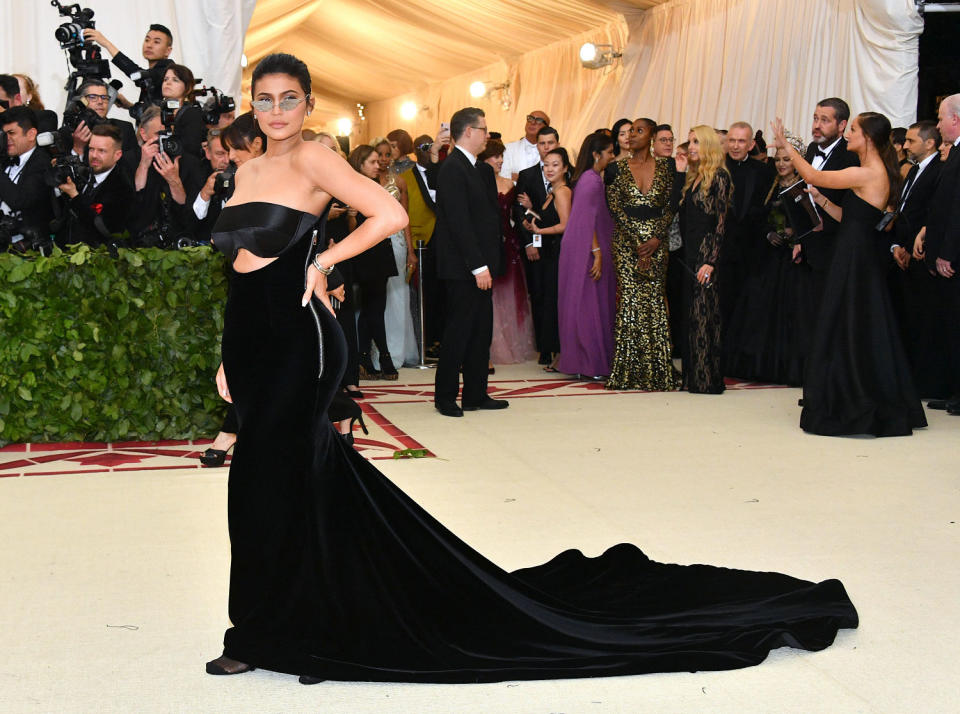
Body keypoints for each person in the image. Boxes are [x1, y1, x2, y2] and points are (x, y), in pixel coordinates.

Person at [205, 54, 858, 684]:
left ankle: (307, 627)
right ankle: (260, 626)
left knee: (288, 475)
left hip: (300, 335)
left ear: (309, 104)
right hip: (251, 334)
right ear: (252, 105)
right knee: (259, 480)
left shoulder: (315, 156)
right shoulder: (248, 169)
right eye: (264, 99)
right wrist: (225, 361)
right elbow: (235, 273)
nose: (277, 110)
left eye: (289, 98)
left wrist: (324, 262)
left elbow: (391, 214)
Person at [772, 112, 926, 436]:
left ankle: (855, 398)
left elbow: (813, 173)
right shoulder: (870, 173)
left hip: (856, 258)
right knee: (853, 324)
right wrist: (822, 201)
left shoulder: (867, 172)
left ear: (867, 137)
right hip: (853, 252)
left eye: (852, 130)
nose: (848, 136)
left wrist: (786, 144)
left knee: (850, 324)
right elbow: (849, 217)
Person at [432, 107, 508, 416]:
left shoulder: (481, 169)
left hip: (482, 264)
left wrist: (490, 263)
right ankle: (445, 397)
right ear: (468, 132)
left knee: (481, 331)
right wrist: (477, 266)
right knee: (459, 331)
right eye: (484, 129)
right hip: (463, 267)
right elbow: (458, 222)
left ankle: (476, 393)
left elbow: (489, 220)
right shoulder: (452, 168)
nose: (487, 135)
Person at [724, 136, 812, 386]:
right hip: (767, 256)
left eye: (787, 159)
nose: (782, 164)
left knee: (792, 311)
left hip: (793, 259)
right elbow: (755, 218)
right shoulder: (769, 185)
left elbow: (811, 221)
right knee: (758, 308)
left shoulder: (804, 185)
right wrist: (768, 233)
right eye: (779, 160)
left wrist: (794, 234)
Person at [603, 118, 680, 390]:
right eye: (630, 131)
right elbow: (614, 208)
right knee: (631, 302)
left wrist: (657, 238)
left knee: (655, 301)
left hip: (658, 244)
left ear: (650, 136)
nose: (631, 135)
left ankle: (658, 370)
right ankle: (627, 371)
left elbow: (671, 205)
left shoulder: (667, 167)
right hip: (626, 244)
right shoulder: (614, 169)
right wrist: (638, 240)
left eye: (639, 131)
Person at [888, 121, 946, 398]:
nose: (906, 145)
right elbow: (903, 209)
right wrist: (897, 245)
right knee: (907, 318)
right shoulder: (912, 171)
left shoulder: (940, 170)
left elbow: (931, 215)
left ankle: (926, 382)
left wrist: (912, 246)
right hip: (903, 253)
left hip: (922, 256)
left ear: (930, 143)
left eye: (911, 141)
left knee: (924, 320)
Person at [555, 132, 616, 378]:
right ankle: (591, 363)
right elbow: (587, 220)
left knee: (585, 303)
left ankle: (584, 362)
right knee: (589, 305)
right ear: (596, 154)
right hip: (587, 250)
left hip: (583, 247)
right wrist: (597, 252)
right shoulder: (591, 181)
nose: (612, 157)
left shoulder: (588, 178)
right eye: (610, 152)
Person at [679, 125, 733, 394]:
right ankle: (693, 376)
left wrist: (710, 261)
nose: (691, 147)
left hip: (705, 254)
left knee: (704, 316)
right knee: (693, 316)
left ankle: (707, 379)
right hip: (690, 254)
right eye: (690, 142)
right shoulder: (694, 177)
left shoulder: (720, 177)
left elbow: (720, 224)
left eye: (697, 142)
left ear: (709, 145)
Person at [916, 94, 960, 415]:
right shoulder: (954, 153)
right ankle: (952, 389)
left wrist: (946, 252)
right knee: (949, 324)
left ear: (955, 119)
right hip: (944, 250)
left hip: (953, 255)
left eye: (941, 117)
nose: (939, 123)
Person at [720, 122, 777, 354]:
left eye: (741, 141)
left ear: (751, 144)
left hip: (751, 248)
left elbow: (765, 211)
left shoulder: (763, 172)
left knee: (747, 303)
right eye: (732, 140)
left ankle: (740, 354)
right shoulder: (717, 169)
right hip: (721, 247)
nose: (735, 146)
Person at [479, 138, 536, 365]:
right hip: (486, 243)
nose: (500, 160)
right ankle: (488, 349)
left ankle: (510, 345)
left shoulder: (511, 184)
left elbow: (518, 216)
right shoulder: (478, 183)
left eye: (501, 156)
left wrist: (531, 208)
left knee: (511, 294)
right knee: (489, 296)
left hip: (508, 242)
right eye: (495, 156)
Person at [347, 144, 401, 380]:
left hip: (381, 249)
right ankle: (382, 358)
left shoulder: (376, 187)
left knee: (375, 308)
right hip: (364, 252)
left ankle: (365, 358)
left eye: (378, 161)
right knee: (373, 309)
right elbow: (352, 229)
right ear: (359, 164)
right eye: (372, 162)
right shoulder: (351, 188)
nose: (377, 165)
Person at [520, 147, 572, 372]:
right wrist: (534, 218)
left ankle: (563, 356)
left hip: (559, 252)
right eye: (547, 165)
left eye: (555, 165)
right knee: (550, 301)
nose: (549, 169)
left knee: (557, 302)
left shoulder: (562, 192)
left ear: (565, 168)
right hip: (550, 252)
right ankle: (558, 355)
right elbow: (551, 219)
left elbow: (565, 225)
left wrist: (540, 232)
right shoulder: (552, 191)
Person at [514, 125, 560, 365]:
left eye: (550, 143)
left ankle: (561, 345)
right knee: (540, 294)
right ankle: (544, 347)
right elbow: (520, 212)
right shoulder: (527, 175)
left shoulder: (569, 174)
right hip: (538, 243)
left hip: (562, 242)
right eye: (542, 144)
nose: (546, 148)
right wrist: (530, 243)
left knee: (560, 294)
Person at [128, 105, 204, 247]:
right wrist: (143, 165)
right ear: (143, 134)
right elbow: (132, 208)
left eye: (169, 133)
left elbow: (191, 216)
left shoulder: (189, 162)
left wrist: (174, 180)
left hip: (179, 244)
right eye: (159, 134)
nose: (165, 138)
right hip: (138, 244)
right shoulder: (130, 160)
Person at [373, 138, 419, 369]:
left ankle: (398, 351)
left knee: (398, 296)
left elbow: (405, 220)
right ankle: (376, 353)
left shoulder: (399, 182)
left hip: (397, 243)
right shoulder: (364, 181)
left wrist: (411, 251)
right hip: (372, 241)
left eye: (386, 154)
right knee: (376, 299)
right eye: (378, 154)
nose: (382, 159)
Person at [54, 124, 134, 248]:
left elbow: (104, 229)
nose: (94, 155)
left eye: (102, 151)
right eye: (91, 149)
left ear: (117, 155)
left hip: (97, 259)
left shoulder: (122, 186)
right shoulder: (83, 174)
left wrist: (75, 196)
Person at [82, 24, 174, 111]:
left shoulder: (170, 72)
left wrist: (106, 43)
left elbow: (136, 74)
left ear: (168, 51)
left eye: (156, 42)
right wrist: (129, 105)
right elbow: (151, 111)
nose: (149, 45)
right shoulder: (155, 72)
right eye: (147, 40)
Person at [0, 107, 53, 250]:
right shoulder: (4, 159)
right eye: (4, 134)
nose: (6, 140)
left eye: (11, 133)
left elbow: (20, 200)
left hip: (28, 250)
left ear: (31, 134)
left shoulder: (42, 162)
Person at [67, 79, 138, 161]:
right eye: (93, 97)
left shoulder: (125, 128)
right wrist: (78, 149)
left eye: (104, 97)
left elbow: (132, 166)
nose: (100, 102)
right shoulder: (69, 133)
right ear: (81, 102)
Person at [160, 64, 205, 160]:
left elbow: (192, 148)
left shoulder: (192, 113)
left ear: (187, 88)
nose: (168, 83)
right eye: (165, 79)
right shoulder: (156, 110)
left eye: (175, 80)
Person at [500, 110, 549, 181]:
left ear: (546, 128)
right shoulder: (508, 148)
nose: (533, 122)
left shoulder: (550, 152)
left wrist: (519, 178)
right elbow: (503, 177)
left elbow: (549, 181)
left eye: (538, 120)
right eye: (530, 118)